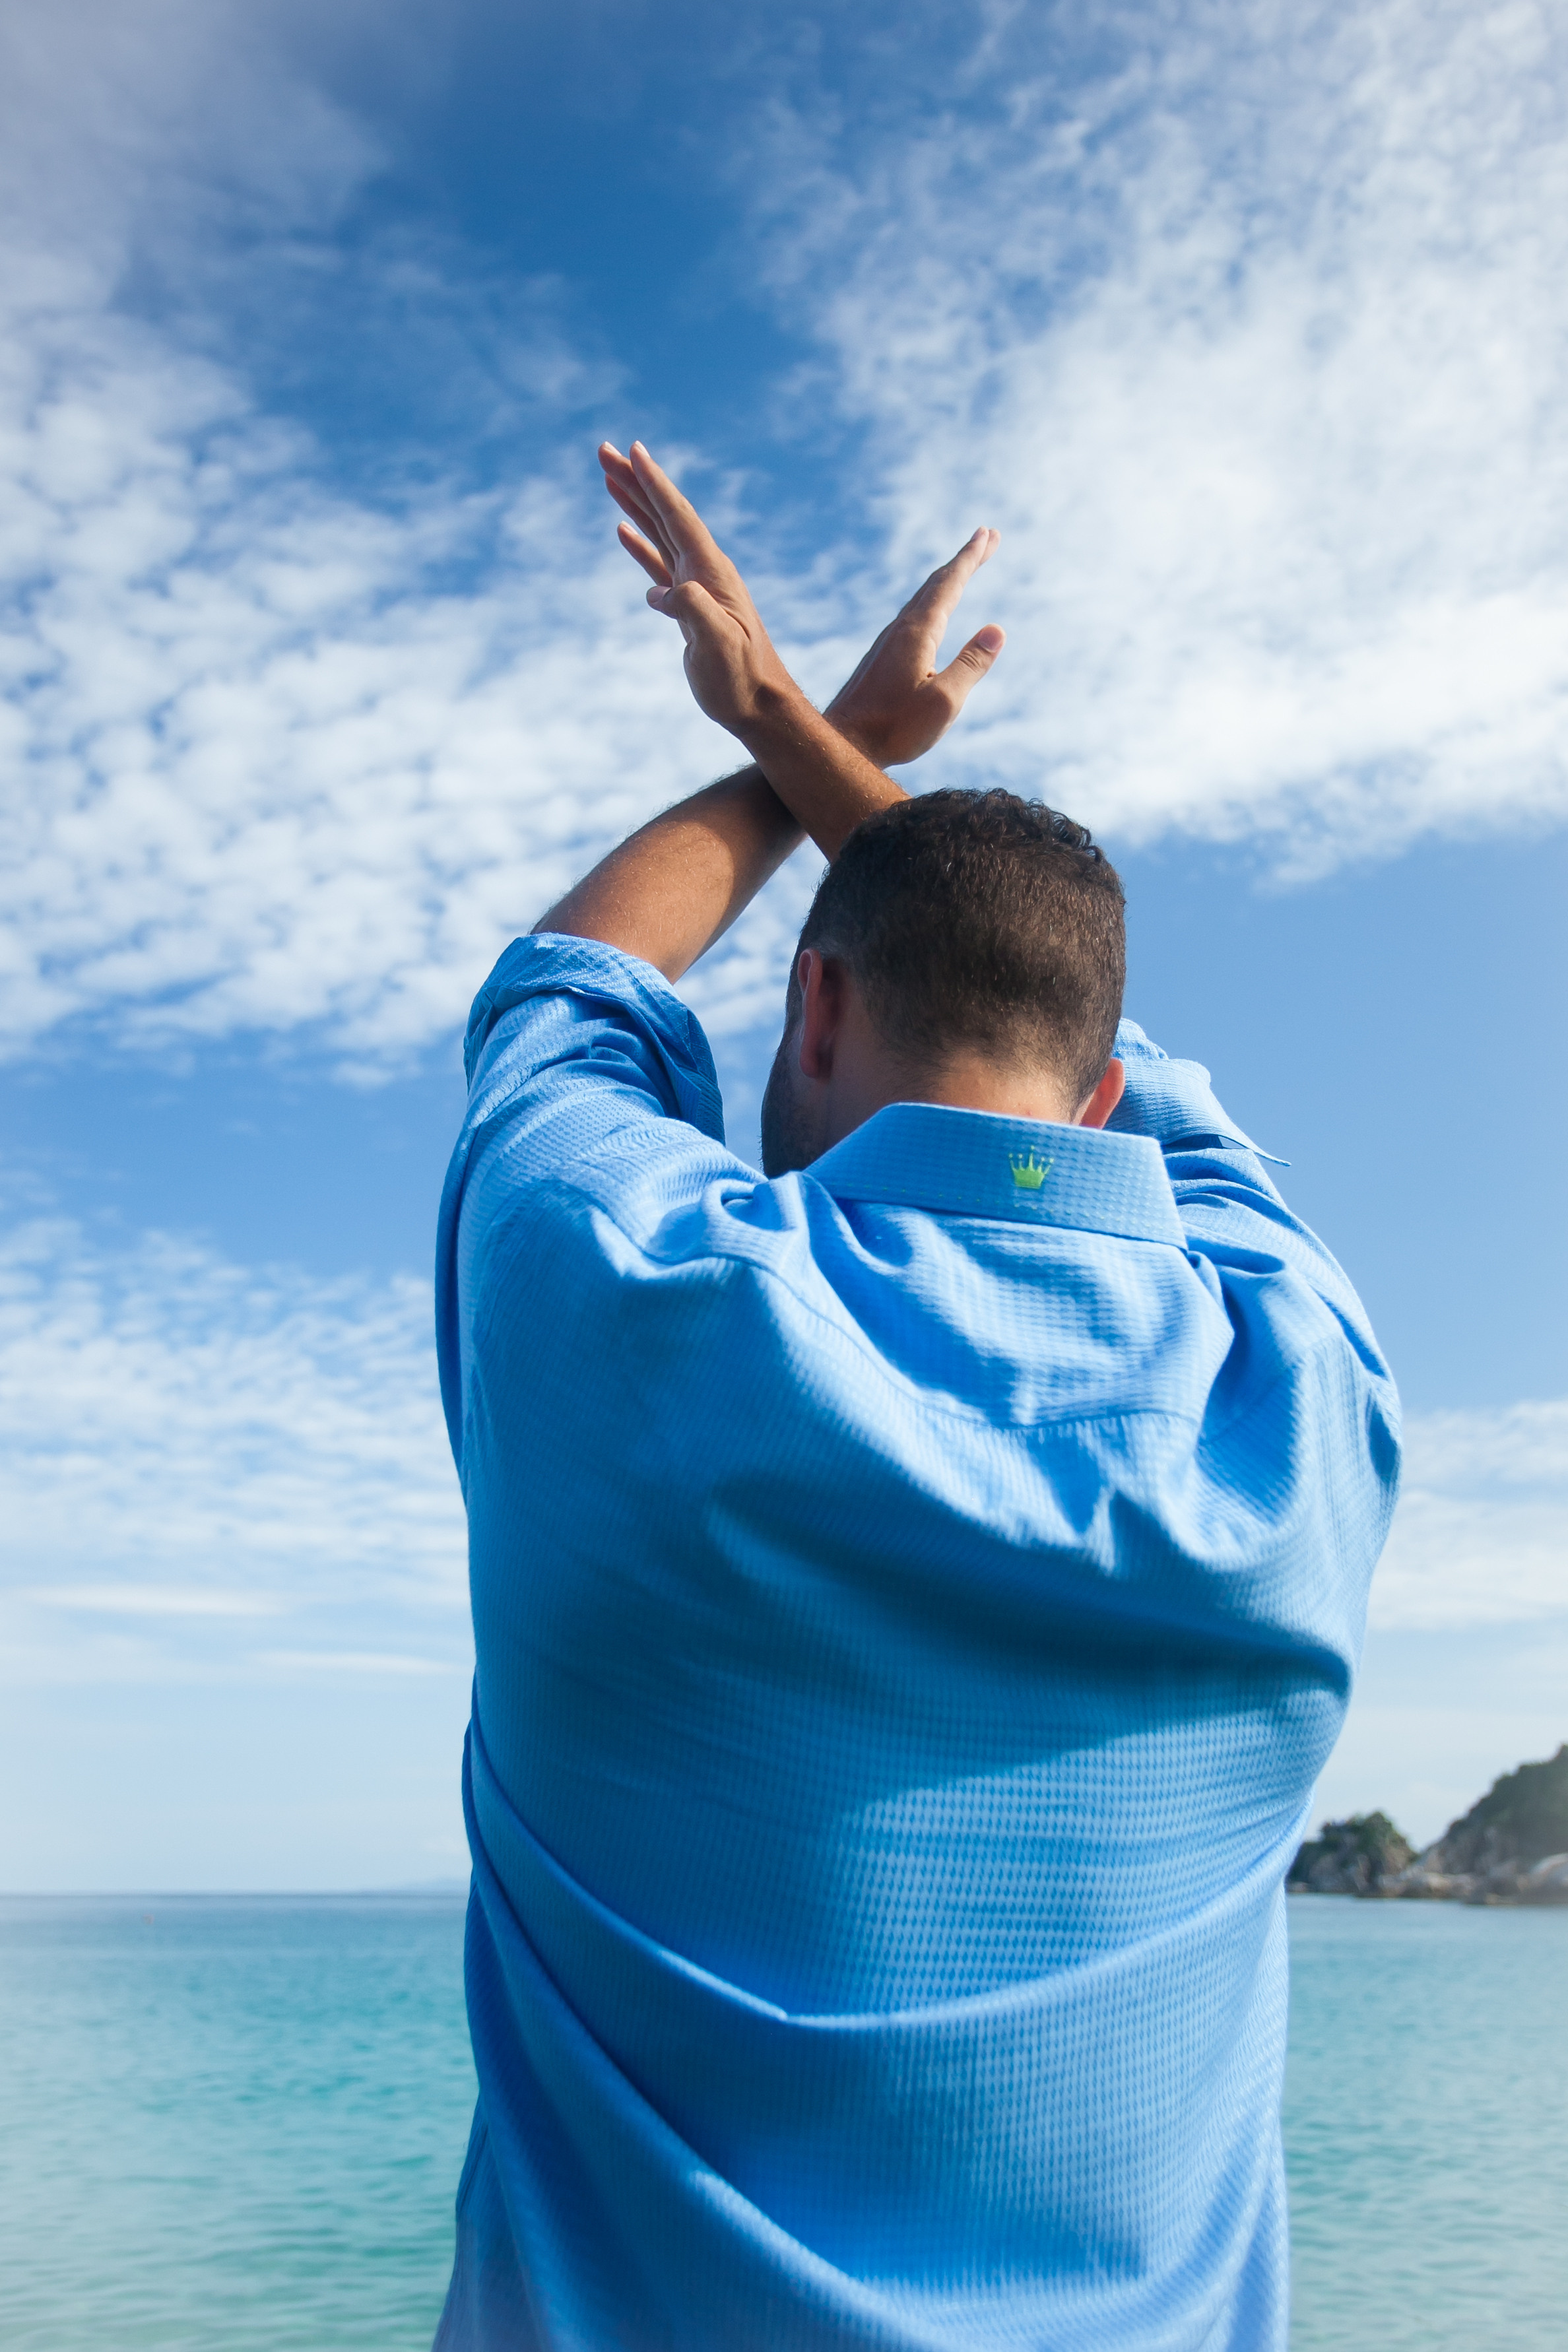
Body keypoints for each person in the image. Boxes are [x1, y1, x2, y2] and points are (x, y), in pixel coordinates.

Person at [432, 443, 1400, 2352]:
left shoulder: (621, 1306)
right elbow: (1057, 1015)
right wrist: (820, 740)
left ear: (807, 1008)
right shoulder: (1307, 1393)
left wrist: (794, 734)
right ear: (1111, 1103)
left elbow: (567, 981)